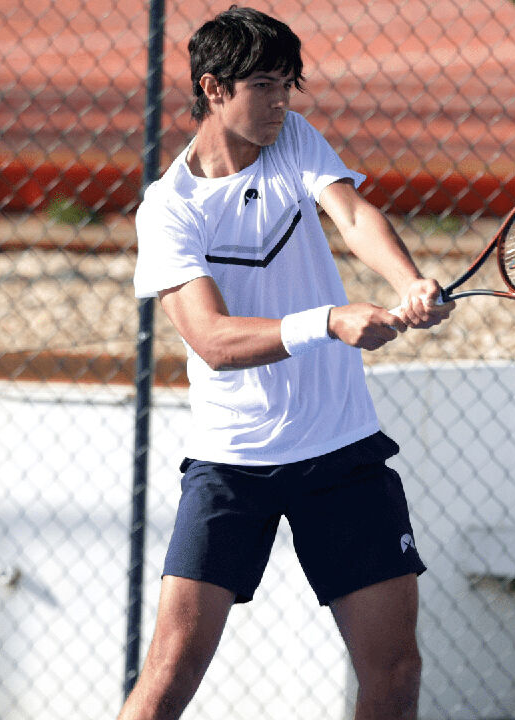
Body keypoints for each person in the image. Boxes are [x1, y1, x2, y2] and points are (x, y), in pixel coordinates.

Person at [121, 7, 452, 720]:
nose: (281, 104)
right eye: (265, 86)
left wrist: (407, 282)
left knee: (394, 675)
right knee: (168, 679)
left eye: (288, 86)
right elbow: (211, 339)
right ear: (213, 88)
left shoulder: (293, 138)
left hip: (341, 452)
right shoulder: (169, 211)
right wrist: (329, 321)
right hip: (233, 464)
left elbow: (353, 214)